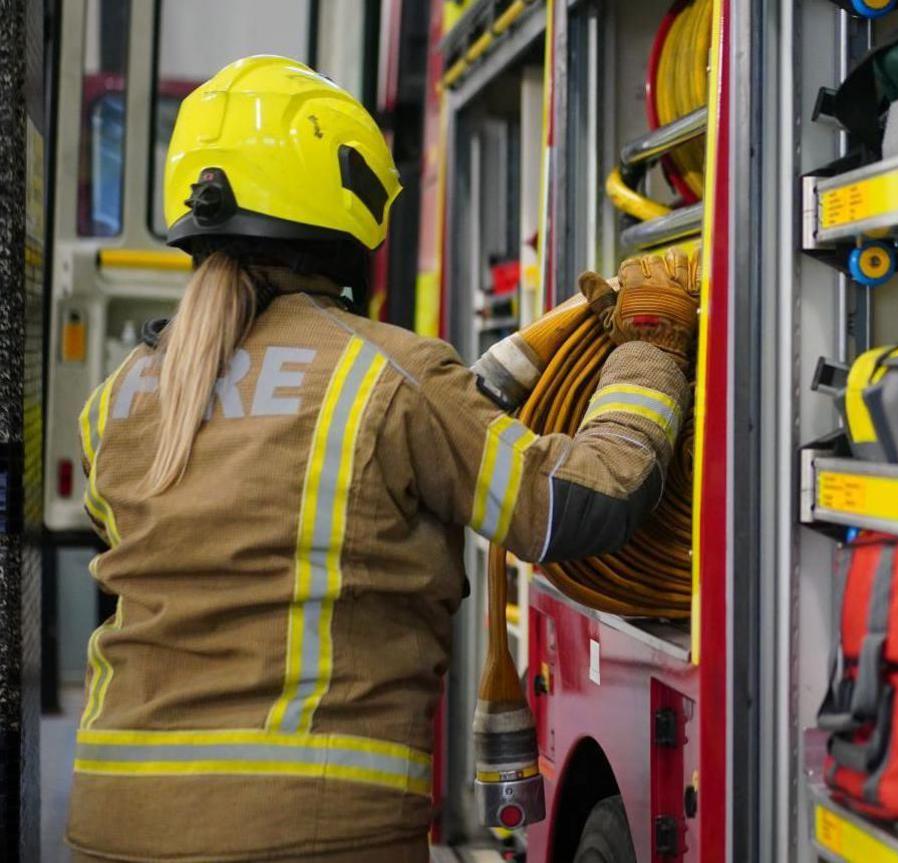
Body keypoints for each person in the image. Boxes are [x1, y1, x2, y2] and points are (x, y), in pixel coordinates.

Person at [65, 55, 697, 862]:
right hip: (306, 828)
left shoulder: (119, 396)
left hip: (109, 817)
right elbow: (583, 503)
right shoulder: (387, 375)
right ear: (346, 201)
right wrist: (651, 347)